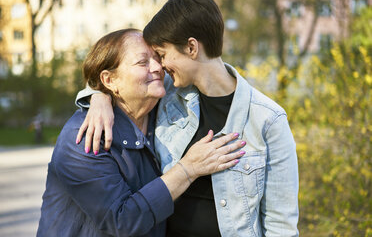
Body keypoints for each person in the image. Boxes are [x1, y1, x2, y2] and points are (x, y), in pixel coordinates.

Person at [76, 0, 299, 236]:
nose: (159, 66)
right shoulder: (168, 96)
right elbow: (123, 81)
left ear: (191, 47)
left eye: (161, 55)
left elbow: (281, 225)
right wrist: (99, 97)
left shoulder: (268, 120)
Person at [37, 28, 246, 237]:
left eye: (157, 58)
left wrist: (97, 95)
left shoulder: (161, 109)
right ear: (110, 81)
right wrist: (188, 168)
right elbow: (122, 220)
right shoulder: (83, 136)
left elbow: (202, 72)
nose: (157, 67)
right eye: (142, 62)